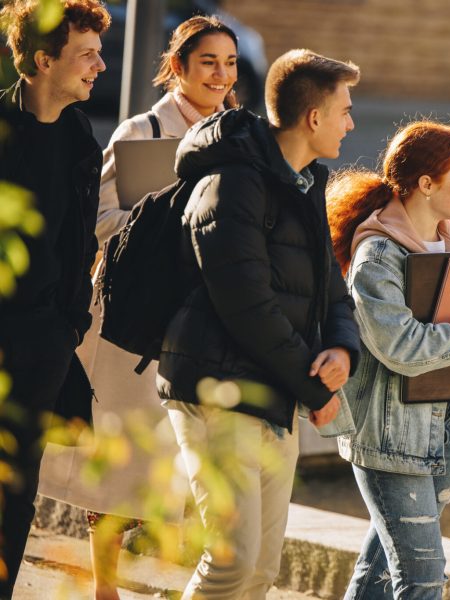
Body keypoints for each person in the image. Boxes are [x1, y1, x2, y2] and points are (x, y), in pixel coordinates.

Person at [36, 15, 239, 600]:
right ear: (177, 66)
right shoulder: (143, 130)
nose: (221, 74)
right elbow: (98, 222)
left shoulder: (237, 134)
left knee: (186, 459)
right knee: (120, 464)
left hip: (201, 318)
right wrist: (172, 226)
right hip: (131, 317)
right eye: (208, 62)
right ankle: (105, 587)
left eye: (229, 63)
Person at [157, 48, 362, 599]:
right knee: (231, 563)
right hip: (216, 390)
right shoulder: (231, 183)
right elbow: (247, 305)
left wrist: (342, 350)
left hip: (277, 392)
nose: (351, 122)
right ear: (313, 118)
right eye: (345, 110)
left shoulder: (307, 183)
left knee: (262, 570)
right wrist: (313, 384)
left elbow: (330, 288)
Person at [325, 120, 450, 599]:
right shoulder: (376, 257)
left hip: (448, 427)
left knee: (381, 570)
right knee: (423, 579)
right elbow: (401, 348)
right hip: (392, 438)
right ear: (426, 184)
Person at [0, 0, 110, 596]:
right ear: (43, 61)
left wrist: (67, 326)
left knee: (18, 494)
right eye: (86, 54)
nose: (99, 66)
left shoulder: (79, 139)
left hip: (43, 342)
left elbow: (78, 243)